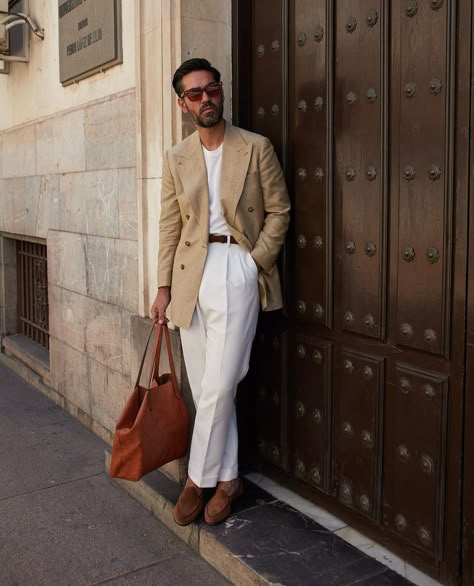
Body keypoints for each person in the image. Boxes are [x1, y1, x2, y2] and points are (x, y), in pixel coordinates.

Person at [150, 58, 290, 526]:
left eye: (212, 89)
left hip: (236, 265)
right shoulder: (176, 157)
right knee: (210, 383)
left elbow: (280, 212)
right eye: (195, 93)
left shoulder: (255, 147)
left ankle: (196, 479)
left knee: (221, 382)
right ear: (182, 103)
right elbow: (170, 225)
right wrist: (163, 288)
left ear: (221, 92)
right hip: (191, 273)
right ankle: (229, 479)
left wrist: (253, 265)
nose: (206, 98)